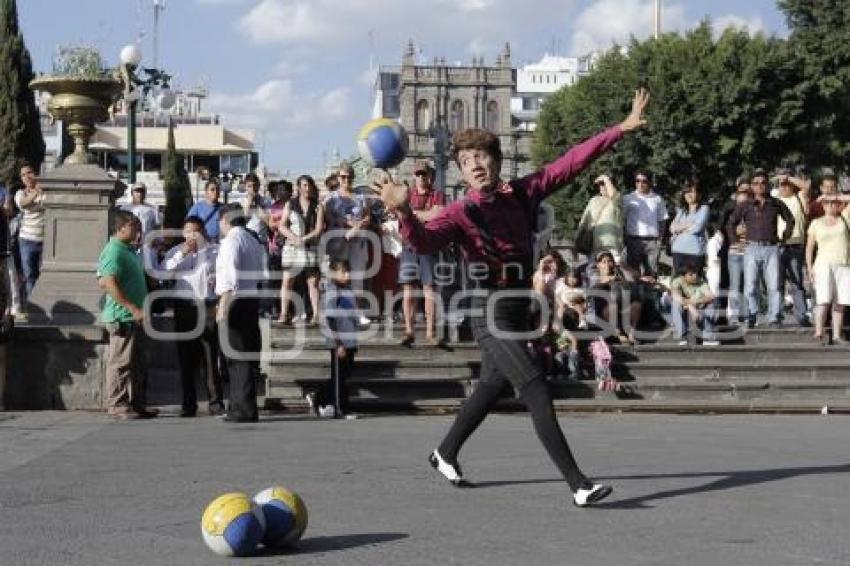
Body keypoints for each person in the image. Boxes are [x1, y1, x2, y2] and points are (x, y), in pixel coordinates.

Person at [381, 88, 650, 507]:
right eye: (466, 162)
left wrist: (619, 129)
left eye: (482, 157)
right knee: (534, 386)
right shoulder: (459, 212)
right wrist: (403, 213)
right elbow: (424, 242)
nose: (475, 165)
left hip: (518, 303)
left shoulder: (523, 193)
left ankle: (444, 452)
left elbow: (572, 162)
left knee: (491, 384)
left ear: (496, 162)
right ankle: (578, 484)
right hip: (485, 309)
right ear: (462, 173)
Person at [161, 217, 225, 417]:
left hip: (207, 306)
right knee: (186, 358)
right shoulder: (175, 252)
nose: (191, 236)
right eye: (188, 232)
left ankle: (215, 402)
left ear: (203, 232)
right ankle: (188, 403)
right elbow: (163, 272)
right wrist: (183, 252)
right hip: (184, 307)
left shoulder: (214, 251)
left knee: (210, 357)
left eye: (195, 232)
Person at [97, 211, 157, 420]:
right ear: (121, 227)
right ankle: (117, 404)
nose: (138, 230)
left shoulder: (129, 250)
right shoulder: (114, 251)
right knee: (120, 363)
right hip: (122, 316)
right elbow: (107, 282)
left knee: (139, 362)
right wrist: (132, 308)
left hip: (136, 317)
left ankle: (138, 403)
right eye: (133, 226)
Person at [215, 203, 266, 423]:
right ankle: (241, 405)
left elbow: (229, 275)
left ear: (225, 219)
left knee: (236, 355)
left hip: (235, 299)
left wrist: (223, 306)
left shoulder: (231, 241)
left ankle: (242, 408)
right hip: (250, 298)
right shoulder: (253, 240)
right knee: (243, 353)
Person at [727, 169, 795, 328]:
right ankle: (752, 315)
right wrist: (734, 240)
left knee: (774, 286)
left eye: (763, 183)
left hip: (771, 248)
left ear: (768, 185)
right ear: (751, 186)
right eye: (756, 183)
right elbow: (731, 222)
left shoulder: (776, 203)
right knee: (750, 285)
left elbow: (790, 219)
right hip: (751, 247)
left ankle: (774, 317)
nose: (760, 186)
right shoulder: (745, 205)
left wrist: (785, 237)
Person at [399, 160, 446, 346]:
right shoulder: (407, 194)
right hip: (409, 245)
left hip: (429, 245)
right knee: (408, 290)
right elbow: (401, 215)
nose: (420, 177)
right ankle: (409, 331)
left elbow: (438, 214)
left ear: (430, 176)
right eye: (418, 174)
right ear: (414, 176)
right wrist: (424, 214)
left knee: (429, 290)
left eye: (424, 174)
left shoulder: (438, 195)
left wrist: (413, 214)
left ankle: (429, 332)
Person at [309, 259, 359, 419]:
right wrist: (338, 344)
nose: (347, 275)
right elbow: (330, 319)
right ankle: (339, 407)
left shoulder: (348, 290)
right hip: (339, 341)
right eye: (343, 272)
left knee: (344, 375)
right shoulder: (332, 291)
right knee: (339, 376)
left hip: (350, 339)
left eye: (348, 271)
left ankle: (319, 396)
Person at [324, 162, 372, 325]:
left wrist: (359, 225)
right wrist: (352, 224)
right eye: (343, 177)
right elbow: (331, 217)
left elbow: (367, 217)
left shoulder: (360, 197)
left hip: (358, 242)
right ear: (338, 178)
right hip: (339, 242)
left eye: (349, 177)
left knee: (357, 278)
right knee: (337, 278)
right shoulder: (331, 198)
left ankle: (358, 313)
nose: (346, 180)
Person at [278, 175, 324, 325]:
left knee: (313, 281)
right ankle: (284, 313)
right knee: (287, 281)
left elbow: (318, 229)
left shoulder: (318, 206)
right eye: (304, 185)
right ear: (298, 187)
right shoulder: (290, 204)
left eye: (309, 185)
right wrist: (293, 237)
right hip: (292, 247)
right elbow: (282, 226)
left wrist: (302, 239)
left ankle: (316, 314)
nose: (307, 188)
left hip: (310, 246)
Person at [805, 194, 850, 345]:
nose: (831, 205)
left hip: (843, 265)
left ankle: (837, 335)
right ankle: (819, 332)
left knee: (840, 302)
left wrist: (835, 196)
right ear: (823, 205)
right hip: (823, 264)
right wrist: (809, 268)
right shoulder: (816, 223)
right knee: (823, 300)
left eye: (834, 203)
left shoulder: (844, 218)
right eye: (827, 203)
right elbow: (810, 247)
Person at [774, 171, 812, 326]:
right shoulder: (775, 200)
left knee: (796, 282)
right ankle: (776, 315)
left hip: (795, 244)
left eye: (786, 184)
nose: (783, 186)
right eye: (781, 184)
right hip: (777, 244)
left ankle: (802, 315)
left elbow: (807, 185)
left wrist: (787, 177)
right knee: (777, 284)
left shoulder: (799, 198)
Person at [589, 251, 643, 345]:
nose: (607, 264)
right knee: (612, 306)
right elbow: (591, 291)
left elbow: (636, 276)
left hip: (622, 307)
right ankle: (618, 333)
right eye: (604, 262)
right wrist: (605, 281)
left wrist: (623, 268)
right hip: (604, 311)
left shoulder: (619, 274)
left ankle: (631, 332)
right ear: (598, 265)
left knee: (636, 305)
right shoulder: (594, 276)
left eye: (609, 261)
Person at [623, 169, 668, 277]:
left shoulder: (657, 199)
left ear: (650, 182)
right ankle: (635, 294)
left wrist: (660, 239)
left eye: (644, 181)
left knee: (651, 274)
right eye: (638, 181)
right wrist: (625, 238)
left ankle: (650, 294)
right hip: (634, 240)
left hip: (653, 241)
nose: (640, 184)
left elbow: (662, 220)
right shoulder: (628, 198)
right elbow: (621, 219)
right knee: (633, 273)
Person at [14, 162, 46, 313]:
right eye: (23, 174)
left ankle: (44, 306)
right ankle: (33, 309)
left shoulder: (46, 192)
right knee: (30, 274)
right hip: (27, 240)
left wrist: (40, 190)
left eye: (29, 172)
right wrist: (35, 193)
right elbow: (24, 204)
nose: (26, 176)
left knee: (44, 275)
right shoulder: (20, 193)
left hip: (46, 241)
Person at [574, 174, 623, 260]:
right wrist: (576, 242)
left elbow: (613, 195)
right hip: (594, 245)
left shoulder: (617, 198)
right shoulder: (594, 200)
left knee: (614, 272)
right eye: (600, 184)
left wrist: (605, 178)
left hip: (612, 246)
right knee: (593, 271)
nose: (602, 187)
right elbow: (584, 221)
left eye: (605, 184)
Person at [668, 263, 718, 346]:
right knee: (675, 304)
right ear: (683, 277)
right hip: (686, 307)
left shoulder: (701, 282)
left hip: (700, 307)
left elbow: (710, 296)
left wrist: (694, 302)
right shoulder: (677, 281)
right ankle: (683, 336)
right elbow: (676, 296)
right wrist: (690, 306)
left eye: (695, 273)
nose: (694, 276)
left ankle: (708, 337)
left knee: (711, 305)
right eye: (691, 274)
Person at [725, 180, 751, 323]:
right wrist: (736, 233)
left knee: (749, 285)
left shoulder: (753, 215)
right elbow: (730, 230)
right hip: (734, 253)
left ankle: (746, 315)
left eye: (745, 202)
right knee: (735, 285)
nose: (742, 206)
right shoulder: (732, 216)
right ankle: (734, 315)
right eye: (740, 203)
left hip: (749, 253)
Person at [669, 178, 709, 273]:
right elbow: (671, 228)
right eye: (687, 192)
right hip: (678, 250)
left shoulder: (704, 209)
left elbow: (696, 228)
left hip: (695, 252)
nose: (689, 195)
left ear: (699, 194)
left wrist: (679, 228)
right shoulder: (682, 211)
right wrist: (687, 225)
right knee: (678, 283)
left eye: (692, 191)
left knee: (694, 284)